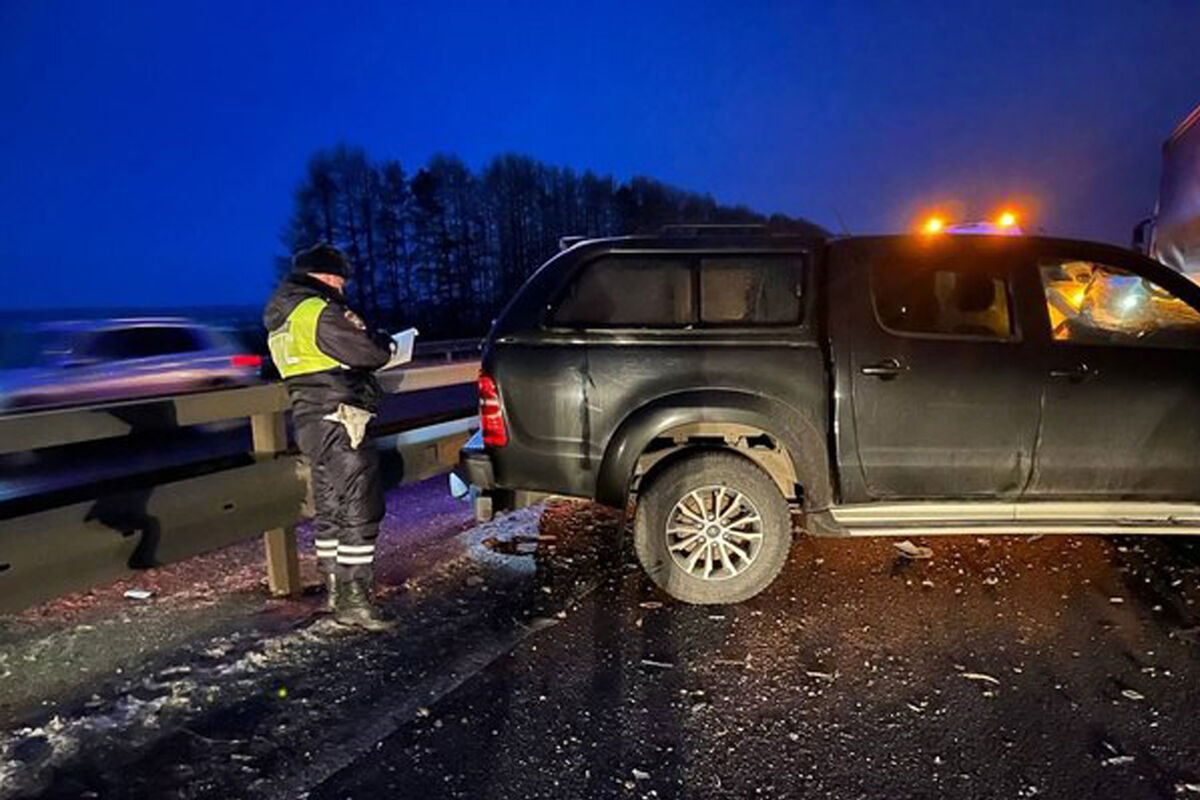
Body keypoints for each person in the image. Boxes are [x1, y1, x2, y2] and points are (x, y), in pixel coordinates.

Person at [263, 243, 396, 631]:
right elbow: (369, 353)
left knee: (331, 505)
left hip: (308, 420)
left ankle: (335, 591)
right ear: (324, 276)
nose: (342, 286)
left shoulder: (281, 319)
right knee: (360, 505)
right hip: (343, 416)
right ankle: (356, 600)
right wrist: (385, 342)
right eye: (339, 278)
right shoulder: (319, 311)